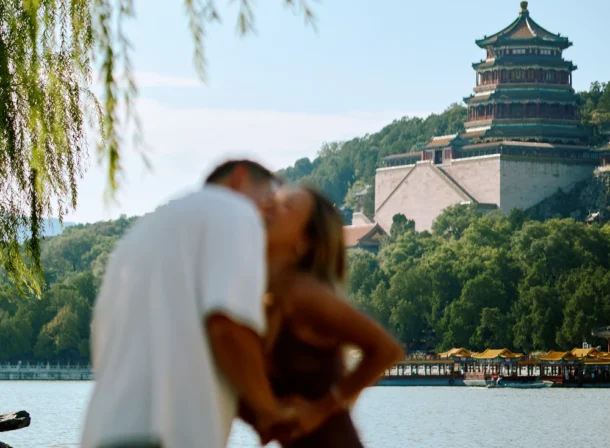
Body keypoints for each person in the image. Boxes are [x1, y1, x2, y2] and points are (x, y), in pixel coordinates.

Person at [81, 160, 298, 448]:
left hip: (104, 431)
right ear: (239, 179)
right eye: (272, 194)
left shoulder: (140, 236)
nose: (273, 211)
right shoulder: (236, 210)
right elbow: (226, 325)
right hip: (169, 435)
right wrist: (270, 411)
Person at [242, 186, 404, 447]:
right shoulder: (266, 295)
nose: (271, 206)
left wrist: (321, 409)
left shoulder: (303, 293)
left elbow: (387, 350)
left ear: (304, 241)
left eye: (287, 206)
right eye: (275, 200)